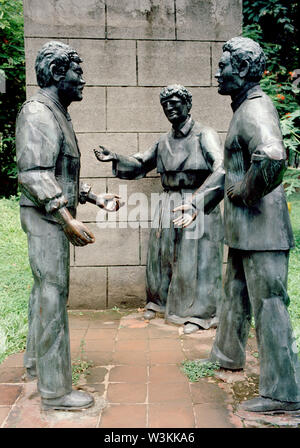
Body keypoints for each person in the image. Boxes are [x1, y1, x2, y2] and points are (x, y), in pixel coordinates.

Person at [174, 37, 300, 413]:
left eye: (223, 64)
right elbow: (229, 169)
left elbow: (274, 157)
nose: (217, 70)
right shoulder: (244, 108)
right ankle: (227, 355)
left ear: (242, 70)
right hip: (247, 233)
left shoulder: (255, 111)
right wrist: (199, 202)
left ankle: (285, 393)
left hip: (263, 233)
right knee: (234, 297)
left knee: (270, 306)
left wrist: (243, 193)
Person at [16, 41, 121, 411]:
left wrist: (94, 198)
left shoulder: (57, 112)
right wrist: (67, 218)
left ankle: (35, 365)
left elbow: (62, 175)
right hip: (46, 218)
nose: (83, 80)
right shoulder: (39, 112)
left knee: (44, 290)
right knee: (52, 294)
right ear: (58, 72)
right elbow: (33, 174)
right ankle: (56, 390)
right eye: (78, 71)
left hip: (51, 214)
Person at [94, 85, 224, 334]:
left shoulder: (204, 134)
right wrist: (116, 157)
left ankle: (200, 314)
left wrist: (199, 201)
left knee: (195, 260)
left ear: (188, 104)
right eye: (165, 105)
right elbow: (141, 162)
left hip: (197, 200)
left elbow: (221, 167)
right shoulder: (163, 141)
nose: (170, 108)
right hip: (168, 202)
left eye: (175, 102)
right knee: (161, 256)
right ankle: (160, 302)